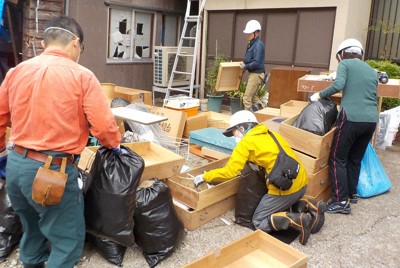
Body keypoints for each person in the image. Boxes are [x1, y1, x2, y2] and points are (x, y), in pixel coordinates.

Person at [0, 16, 121, 267]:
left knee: (31, 228)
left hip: (15, 167)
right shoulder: (82, 76)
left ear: (45, 43)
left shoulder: (16, 72)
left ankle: (31, 263)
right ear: (75, 43)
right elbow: (103, 126)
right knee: (67, 241)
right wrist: (114, 145)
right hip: (51, 173)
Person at [193, 110, 326, 245]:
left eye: (234, 132)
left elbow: (230, 171)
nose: (234, 136)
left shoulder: (246, 143)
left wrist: (205, 176)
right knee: (281, 205)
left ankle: (297, 220)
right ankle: (311, 205)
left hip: (285, 189)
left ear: (242, 128)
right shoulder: (272, 134)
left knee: (259, 222)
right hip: (301, 182)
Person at [310, 38, 378, 214]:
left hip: (352, 118)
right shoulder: (371, 70)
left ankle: (341, 202)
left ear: (342, 54)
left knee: (337, 158)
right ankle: (352, 194)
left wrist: (319, 94)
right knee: (354, 158)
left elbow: (339, 85)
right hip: (370, 121)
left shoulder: (345, 64)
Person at [240, 20, 265, 111]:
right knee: (254, 97)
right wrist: (244, 64)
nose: (247, 35)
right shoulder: (251, 44)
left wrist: (245, 67)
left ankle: (249, 120)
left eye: (249, 33)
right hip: (254, 74)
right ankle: (263, 114)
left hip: (256, 75)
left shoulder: (258, 45)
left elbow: (257, 62)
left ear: (256, 33)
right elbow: (248, 59)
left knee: (246, 98)